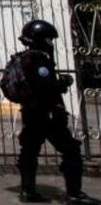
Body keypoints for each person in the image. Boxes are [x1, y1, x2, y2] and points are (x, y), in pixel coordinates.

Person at [13, 19, 99, 204]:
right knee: (71, 150)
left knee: (29, 150)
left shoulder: (25, 58)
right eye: (48, 39)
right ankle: (74, 194)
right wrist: (62, 83)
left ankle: (28, 191)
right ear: (40, 39)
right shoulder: (37, 60)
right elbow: (45, 87)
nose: (51, 43)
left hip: (32, 112)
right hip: (46, 113)